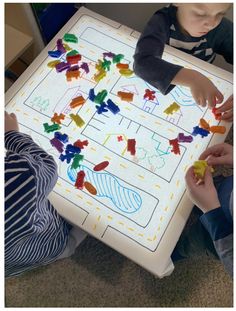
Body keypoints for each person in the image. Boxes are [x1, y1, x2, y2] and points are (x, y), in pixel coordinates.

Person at [5, 111, 87, 277]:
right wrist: (11, 135)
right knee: (85, 224)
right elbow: (46, 166)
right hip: (45, 242)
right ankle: (65, 248)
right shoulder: (20, 173)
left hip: (8, 262)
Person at [133, 3, 233, 120]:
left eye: (220, 14)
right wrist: (193, 78)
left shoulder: (223, 29)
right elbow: (142, 63)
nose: (211, 24)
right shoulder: (162, 21)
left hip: (199, 96)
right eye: (200, 13)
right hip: (160, 86)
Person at [174, 143, 233, 277]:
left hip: (217, 233)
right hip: (226, 189)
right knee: (198, 192)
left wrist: (212, 212)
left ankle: (178, 252)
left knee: (194, 242)